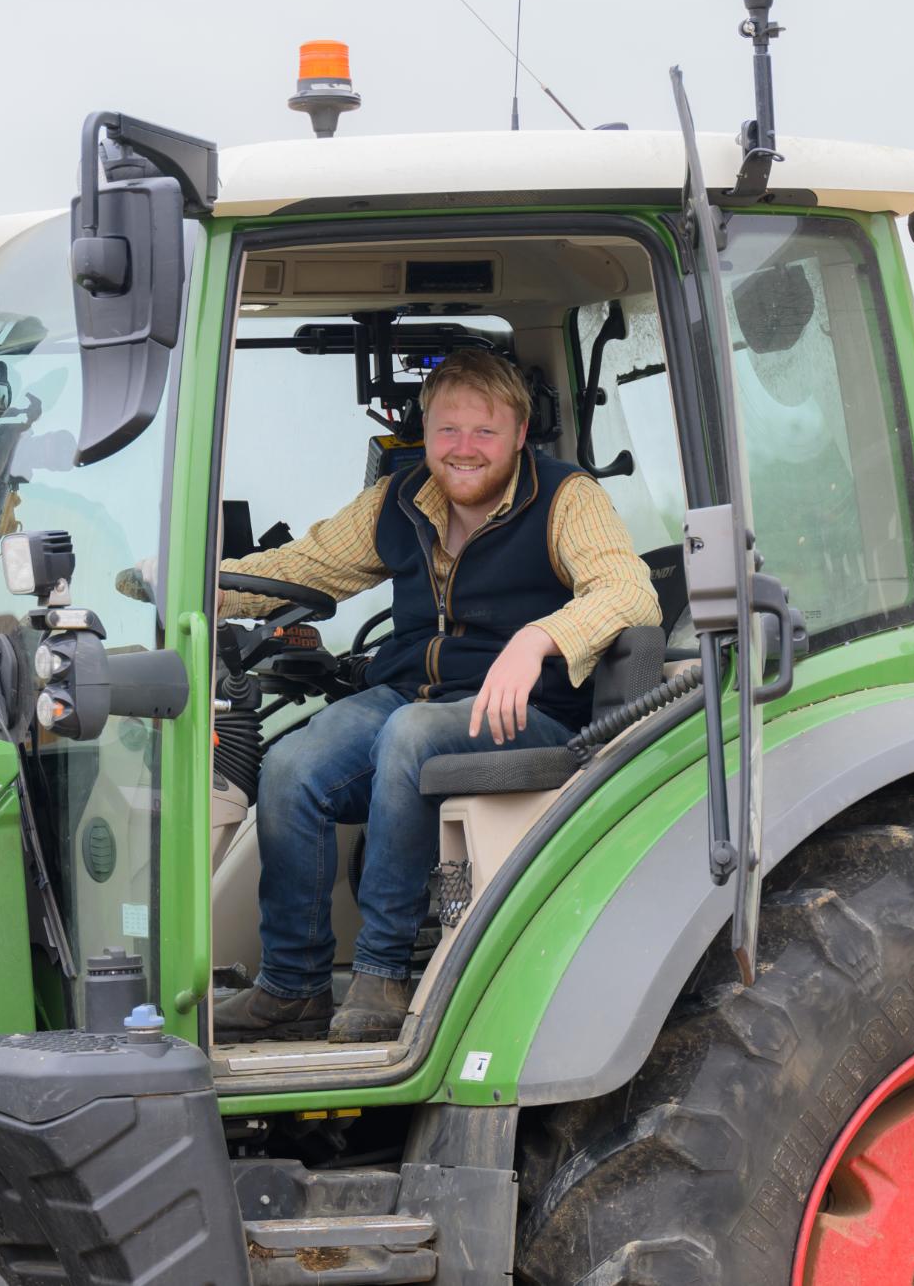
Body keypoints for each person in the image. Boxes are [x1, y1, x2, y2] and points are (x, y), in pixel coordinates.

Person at [214, 349, 660, 1044]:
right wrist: (189, 581)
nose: (463, 449)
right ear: (425, 435)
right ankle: (292, 988)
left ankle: (382, 975)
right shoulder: (399, 499)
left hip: (532, 716)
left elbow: (630, 592)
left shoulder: (569, 497)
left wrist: (536, 638)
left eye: (485, 432)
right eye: (448, 431)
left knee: (412, 735)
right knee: (292, 766)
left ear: (519, 435)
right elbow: (299, 568)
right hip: (408, 695)